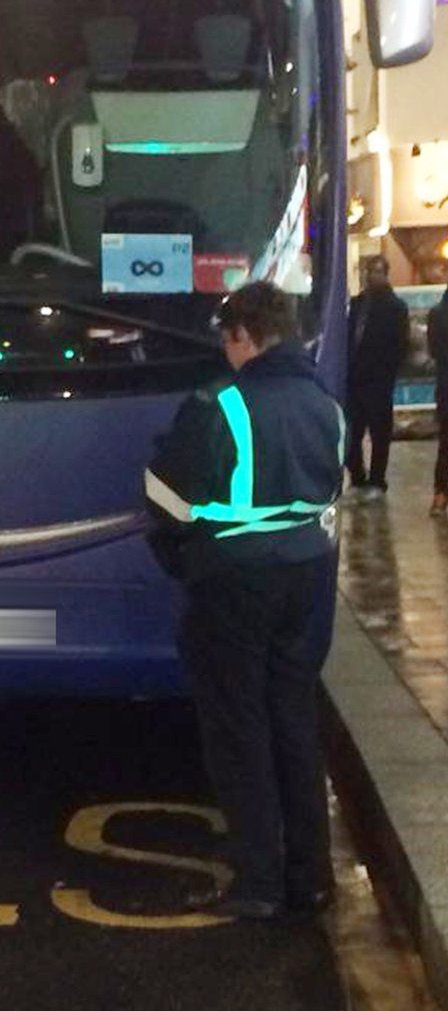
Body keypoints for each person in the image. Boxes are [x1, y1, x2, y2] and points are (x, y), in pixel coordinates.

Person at [144, 281, 343, 920]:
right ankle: (312, 877)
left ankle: (258, 882)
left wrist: (179, 553)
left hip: (234, 578)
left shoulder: (220, 404)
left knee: (239, 727)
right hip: (309, 574)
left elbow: (167, 497)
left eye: (227, 340)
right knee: (294, 717)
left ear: (243, 337)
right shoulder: (324, 402)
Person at [346, 255, 409, 498]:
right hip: (355, 379)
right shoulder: (357, 304)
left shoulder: (395, 307)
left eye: (377, 272)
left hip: (379, 381)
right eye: (370, 272)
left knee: (379, 434)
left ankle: (376, 480)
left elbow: (400, 344)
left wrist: (387, 372)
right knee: (352, 434)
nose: (372, 276)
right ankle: (358, 477)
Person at [427, 286, 448, 516]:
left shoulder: (437, 313)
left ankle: (441, 495)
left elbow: (433, 351)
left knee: (445, 443)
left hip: (445, 386)